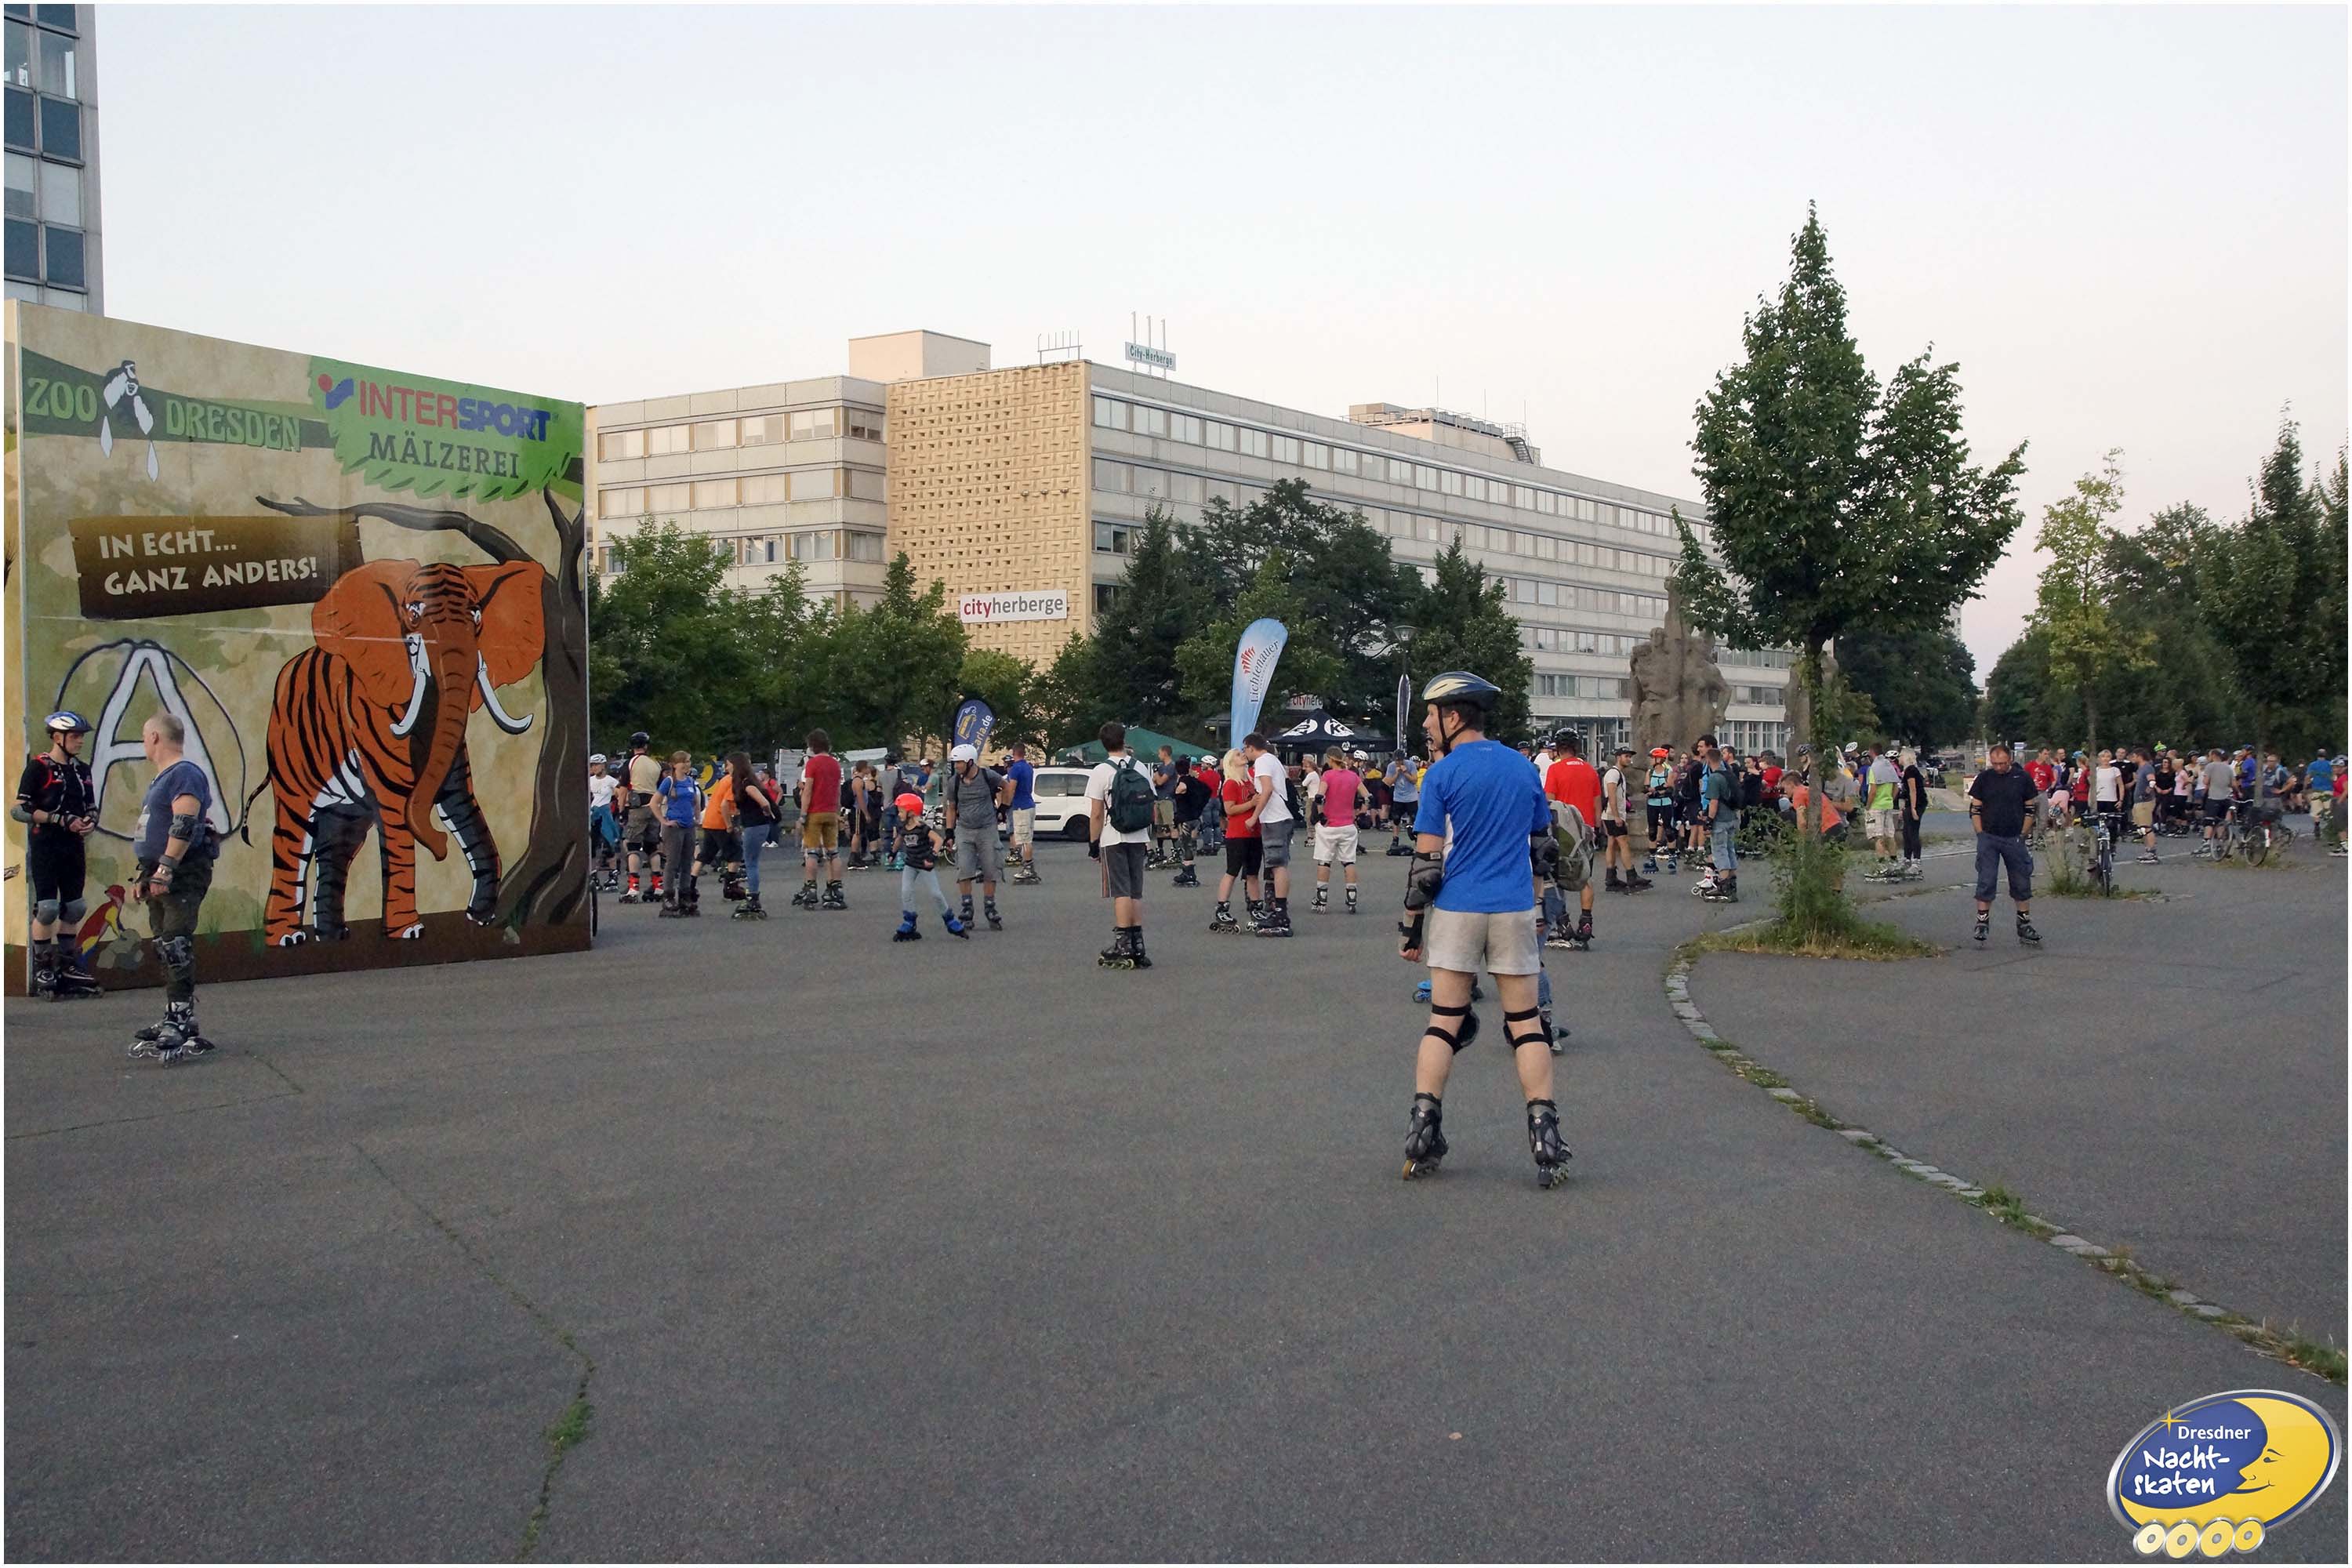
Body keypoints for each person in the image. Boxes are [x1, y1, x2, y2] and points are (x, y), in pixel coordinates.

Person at [1395, 672, 1570, 1189]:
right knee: (1527, 1025)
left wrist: (1411, 929)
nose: (1427, 725)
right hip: (1513, 908)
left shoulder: (1442, 775)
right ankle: (1545, 1135)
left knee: (1444, 1021)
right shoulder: (1523, 768)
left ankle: (1423, 1128)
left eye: (1431, 716)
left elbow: (1426, 866)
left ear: (1454, 716)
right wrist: (1536, 906)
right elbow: (1542, 849)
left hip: (1457, 909)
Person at [125, 713, 221, 1061]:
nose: (144, 743)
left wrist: (166, 868)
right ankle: (175, 1012)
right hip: (159, 871)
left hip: (183, 871)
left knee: (176, 942)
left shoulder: (185, 773)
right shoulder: (163, 778)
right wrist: (146, 874)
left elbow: (184, 821)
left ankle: (180, 1018)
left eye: (144, 737)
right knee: (164, 945)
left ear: (154, 737)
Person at [15, 710, 103, 1001]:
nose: (80, 741)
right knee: (48, 908)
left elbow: (91, 806)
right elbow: (19, 809)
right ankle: (43, 968)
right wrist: (58, 819)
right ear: (57, 737)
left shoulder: (82, 770)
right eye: (75, 736)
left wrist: (90, 821)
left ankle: (68, 967)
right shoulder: (38, 767)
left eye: (81, 736)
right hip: (46, 846)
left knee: (75, 907)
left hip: (73, 846)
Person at [1087, 721, 1156, 968]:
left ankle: (1122, 943)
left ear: (1103, 744)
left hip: (1113, 836)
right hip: (1139, 835)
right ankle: (1138, 943)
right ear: (1124, 740)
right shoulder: (1140, 767)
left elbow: (1096, 813)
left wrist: (1093, 843)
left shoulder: (1101, 771)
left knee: (1120, 891)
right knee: (1136, 891)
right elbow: (1151, 801)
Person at [1966, 742, 2042, 945]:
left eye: (2003, 763)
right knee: (1986, 879)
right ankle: (1982, 921)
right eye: (1995, 763)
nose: (1999, 767)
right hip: (1989, 837)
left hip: (2014, 837)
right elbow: (1975, 809)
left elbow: (2030, 808)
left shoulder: (2022, 778)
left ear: (2010, 760)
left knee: (2021, 880)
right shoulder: (1984, 778)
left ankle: (2024, 923)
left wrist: (2023, 833)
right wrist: (1980, 833)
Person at [944, 742, 1012, 931]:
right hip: (964, 830)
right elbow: (951, 808)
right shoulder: (954, 782)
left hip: (987, 829)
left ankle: (990, 906)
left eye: (959, 763)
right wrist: (949, 833)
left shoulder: (987, 776)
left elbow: (1007, 787)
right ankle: (967, 907)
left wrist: (1003, 809)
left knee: (991, 868)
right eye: (955, 763)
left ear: (970, 762)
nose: (957, 766)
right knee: (964, 869)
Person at [1542, 733, 1601, 946]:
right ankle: (1586, 922)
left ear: (1558, 748)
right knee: (1585, 877)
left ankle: (1563, 923)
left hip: (1564, 832)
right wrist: (1598, 827)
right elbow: (1597, 802)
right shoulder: (1590, 770)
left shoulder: (1555, 769)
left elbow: (1549, 801)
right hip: (1586, 830)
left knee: (1558, 878)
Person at [890, 792, 967, 940]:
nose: (899, 814)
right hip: (910, 864)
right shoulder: (903, 827)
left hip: (924, 865)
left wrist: (932, 856)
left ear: (911, 812)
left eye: (901, 811)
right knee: (906, 892)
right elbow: (899, 839)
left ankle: (950, 921)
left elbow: (938, 840)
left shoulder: (922, 828)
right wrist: (892, 853)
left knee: (936, 893)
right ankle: (909, 922)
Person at [1243, 731, 1296, 937]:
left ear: (1251, 747)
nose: (1245, 753)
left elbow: (1267, 790)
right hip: (1282, 817)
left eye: (1245, 749)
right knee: (1277, 865)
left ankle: (1281, 914)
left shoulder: (1263, 761)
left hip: (1274, 818)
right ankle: (1278, 910)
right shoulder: (1273, 760)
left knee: (1277, 865)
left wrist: (1254, 817)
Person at [1209, 748, 1262, 934]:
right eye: (1239, 755)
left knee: (1253, 873)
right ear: (1231, 762)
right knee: (1232, 871)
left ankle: (1255, 907)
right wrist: (1251, 804)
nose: (1243, 755)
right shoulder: (1231, 783)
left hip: (1255, 833)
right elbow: (1229, 809)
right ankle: (1222, 907)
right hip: (1237, 833)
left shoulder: (1250, 782)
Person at [794, 730, 848, 910]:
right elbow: (838, 791)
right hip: (831, 811)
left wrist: (803, 814)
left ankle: (810, 889)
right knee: (833, 852)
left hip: (815, 812)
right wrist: (837, 811)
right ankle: (836, 889)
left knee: (812, 852)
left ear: (812, 746)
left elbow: (808, 790)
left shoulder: (813, 764)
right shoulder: (835, 764)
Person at [723, 752, 779, 918]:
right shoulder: (745, 782)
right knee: (750, 861)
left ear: (736, 765)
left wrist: (766, 812)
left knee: (751, 862)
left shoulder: (747, 784)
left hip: (755, 826)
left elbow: (764, 802)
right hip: (756, 825)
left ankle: (753, 897)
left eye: (728, 765)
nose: (726, 768)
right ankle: (752, 896)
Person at [1311, 748, 1367, 913]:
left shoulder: (1327, 776)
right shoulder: (1353, 776)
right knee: (1349, 861)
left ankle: (1321, 898)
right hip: (1348, 825)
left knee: (1324, 861)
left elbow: (1319, 797)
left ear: (1330, 759)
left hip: (1329, 826)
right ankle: (1352, 897)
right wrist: (1360, 812)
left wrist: (1321, 815)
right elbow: (1368, 796)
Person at [654, 753, 704, 917]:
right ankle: (668, 897)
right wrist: (664, 821)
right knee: (672, 862)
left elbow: (695, 802)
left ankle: (684, 896)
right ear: (674, 764)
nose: (686, 765)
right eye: (683, 762)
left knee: (687, 862)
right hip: (674, 826)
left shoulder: (690, 782)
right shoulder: (669, 781)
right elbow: (655, 802)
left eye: (688, 761)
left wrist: (697, 818)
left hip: (689, 826)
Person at [621, 732, 664, 902]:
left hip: (637, 807)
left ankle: (633, 888)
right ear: (646, 746)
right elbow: (660, 787)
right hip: (653, 806)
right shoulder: (655, 764)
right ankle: (658, 885)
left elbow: (623, 788)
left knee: (633, 845)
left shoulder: (630, 763)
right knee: (652, 846)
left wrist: (622, 809)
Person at [1599, 743, 1647, 894]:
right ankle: (1631, 875)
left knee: (1612, 844)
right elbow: (1612, 795)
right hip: (1613, 815)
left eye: (1630, 757)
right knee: (1624, 843)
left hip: (1610, 815)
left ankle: (1611, 877)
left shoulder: (1617, 773)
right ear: (1618, 757)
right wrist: (1617, 816)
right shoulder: (1613, 774)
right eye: (1626, 756)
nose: (1629, 759)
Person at [1697, 734, 1740, 903]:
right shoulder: (1728, 773)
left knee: (1720, 852)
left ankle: (1723, 886)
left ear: (1709, 760)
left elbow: (1714, 802)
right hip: (1731, 817)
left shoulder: (1714, 778)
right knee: (1730, 850)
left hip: (1720, 820)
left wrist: (1708, 821)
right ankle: (1732, 884)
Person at [698, 762, 740, 902]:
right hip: (720, 821)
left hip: (709, 820)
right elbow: (724, 805)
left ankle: (690, 885)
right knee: (735, 853)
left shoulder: (724, 780)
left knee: (705, 854)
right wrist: (729, 825)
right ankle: (730, 887)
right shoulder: (733, 780)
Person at [1003, 741, 1041, 884]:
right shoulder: (1028, 767)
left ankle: (1028, 868)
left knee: (1025, 840)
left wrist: (1005, 805)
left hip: (1020, 807)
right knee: (1027, 837)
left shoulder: (1015, 769)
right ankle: (1028, 867)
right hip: (1029, 803)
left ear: (1014, 753)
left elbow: (1011, 788)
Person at [1861, 743, 1902, 878]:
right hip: (1888, 805)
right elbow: (1896, 787)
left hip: (1876, 806)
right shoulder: (1889, 766)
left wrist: (1868, 806)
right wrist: (1891, 799)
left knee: (1878, 837)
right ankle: (1894, 864)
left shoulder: (1873, 768)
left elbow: (1873, 791)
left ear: (1871, 752)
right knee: (1890, 835)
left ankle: (1881, 867)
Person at [1169, 751, 1208, 887]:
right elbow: (1207, 790)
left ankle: (1189, 871)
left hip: (1185, 817)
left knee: (1186, 844)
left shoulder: (1183, 782)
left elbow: (1179, 791)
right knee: (1189, 843)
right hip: (1195, 816)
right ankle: (1188, 869)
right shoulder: (1194, 781)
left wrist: (1177, 792)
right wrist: (1199, 806)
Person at [586, 753, 622, 891]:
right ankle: (593, 876)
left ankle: (613, 876)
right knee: (592, 847)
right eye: (592, 765)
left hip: (606, 815)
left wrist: (620, 810)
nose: (594, 768)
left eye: (596, 765)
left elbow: (621, 794)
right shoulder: (589, 781)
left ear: (603, 765)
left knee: (609, 846)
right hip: (593, 815)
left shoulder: (611, 781)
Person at [1642, 746, 1677, 873]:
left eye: (1652, 758)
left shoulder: (1668, 772)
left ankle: (1672, 857)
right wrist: (1659, 789)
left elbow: (1670, 789)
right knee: (1652, 831)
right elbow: (1646, 788)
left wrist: (1656, 791)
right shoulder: (1650, 772)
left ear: (1659, 759)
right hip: (1652, 804)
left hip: (1665, 804)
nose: (1650, 760)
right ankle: (1652, 859)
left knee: (1668, 830)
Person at [1149, 745, 1183, 869]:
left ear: (1165, 753)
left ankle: (1176, 851)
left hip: (1168, 799)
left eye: (1160, 752)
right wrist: (1156, 776)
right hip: (1159, 799)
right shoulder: (1161, 767)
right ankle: (1160, 851)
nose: (1158, 755)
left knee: (1171, 825)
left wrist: (1156, 773)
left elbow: (1160, 781)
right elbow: (1154, 782)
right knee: (1159, 826)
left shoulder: (1171, 766)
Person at [1896, 747, 1928, 878]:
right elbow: (1906, 792)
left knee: (1913, 831)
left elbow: (1913, 790)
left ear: (1906, 757)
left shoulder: (1911, 771)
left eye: (1900, 756)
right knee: (1906, 832)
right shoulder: (1907, 771)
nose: (1898, 758)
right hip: (1910, 803)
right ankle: (1907, 858)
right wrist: (1903, 808)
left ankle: (1916, 861)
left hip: (1917, 803)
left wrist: (1913, 808)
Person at [1386, 755, 1421, 855]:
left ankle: (1417, 841)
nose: (1398, 763)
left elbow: (1414, 780)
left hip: (1411, 797)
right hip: (1398, 797)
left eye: (1400, 761)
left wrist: (1405, 772)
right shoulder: (1391, 766)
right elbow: (1389, 782)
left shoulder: (1410, 765)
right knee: (1396, 818)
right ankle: (1395, 839)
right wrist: (1397, 773)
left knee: (1414, 818)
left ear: (1403, 760)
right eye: (1396, 761)